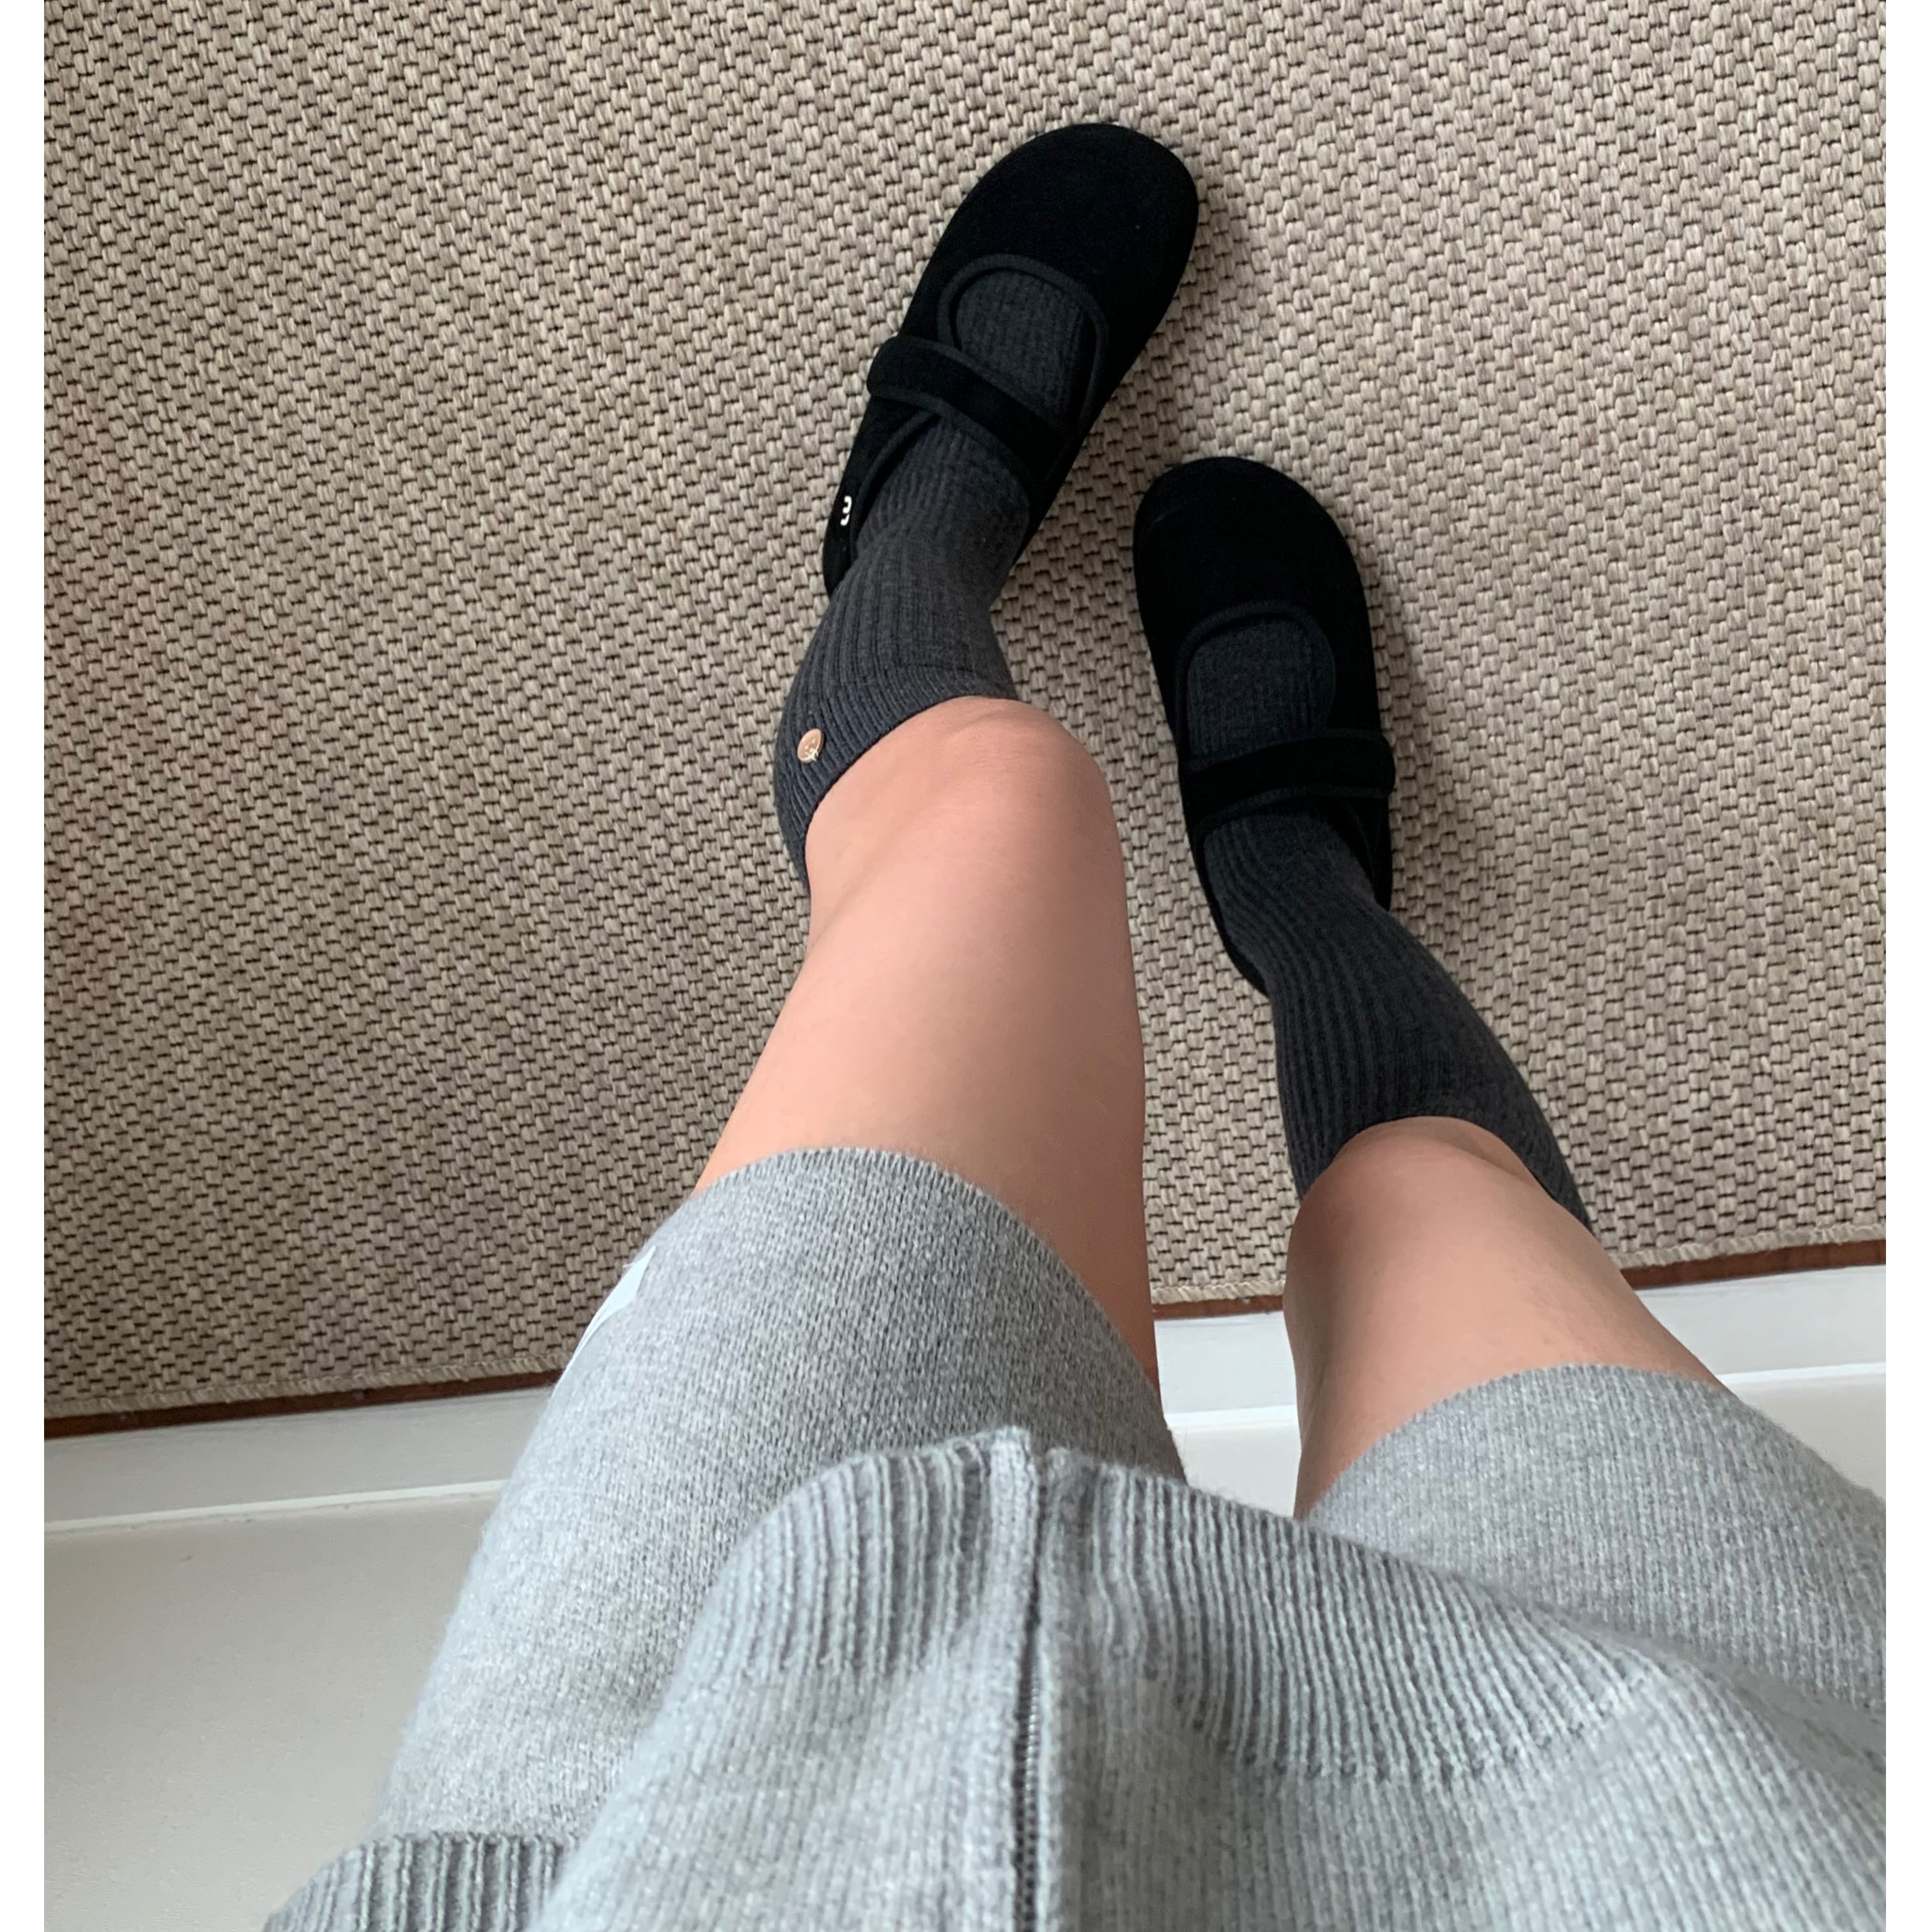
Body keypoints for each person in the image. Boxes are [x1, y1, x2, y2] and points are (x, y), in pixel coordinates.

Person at [269, 125, 1882, 1931]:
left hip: (661, 1820)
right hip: (1673, 1826)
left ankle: (915, 536)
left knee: (996, 804)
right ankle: (1295, 877)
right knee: (1425, 1198)